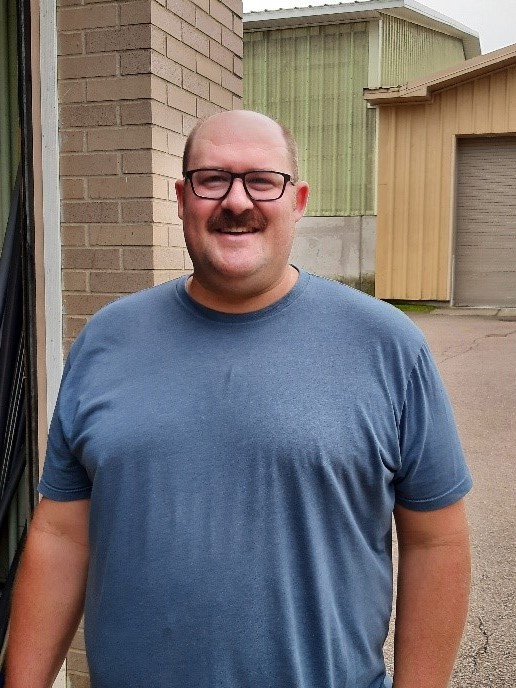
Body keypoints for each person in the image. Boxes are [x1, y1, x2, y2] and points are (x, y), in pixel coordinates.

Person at [6, 110, 472, 688]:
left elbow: (435, 541)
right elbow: (61, 534)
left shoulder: (386, 344)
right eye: (212, 179)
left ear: (297, 201)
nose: (236, 201)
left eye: (262, 181)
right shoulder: (106, 341)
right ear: (182, 199)